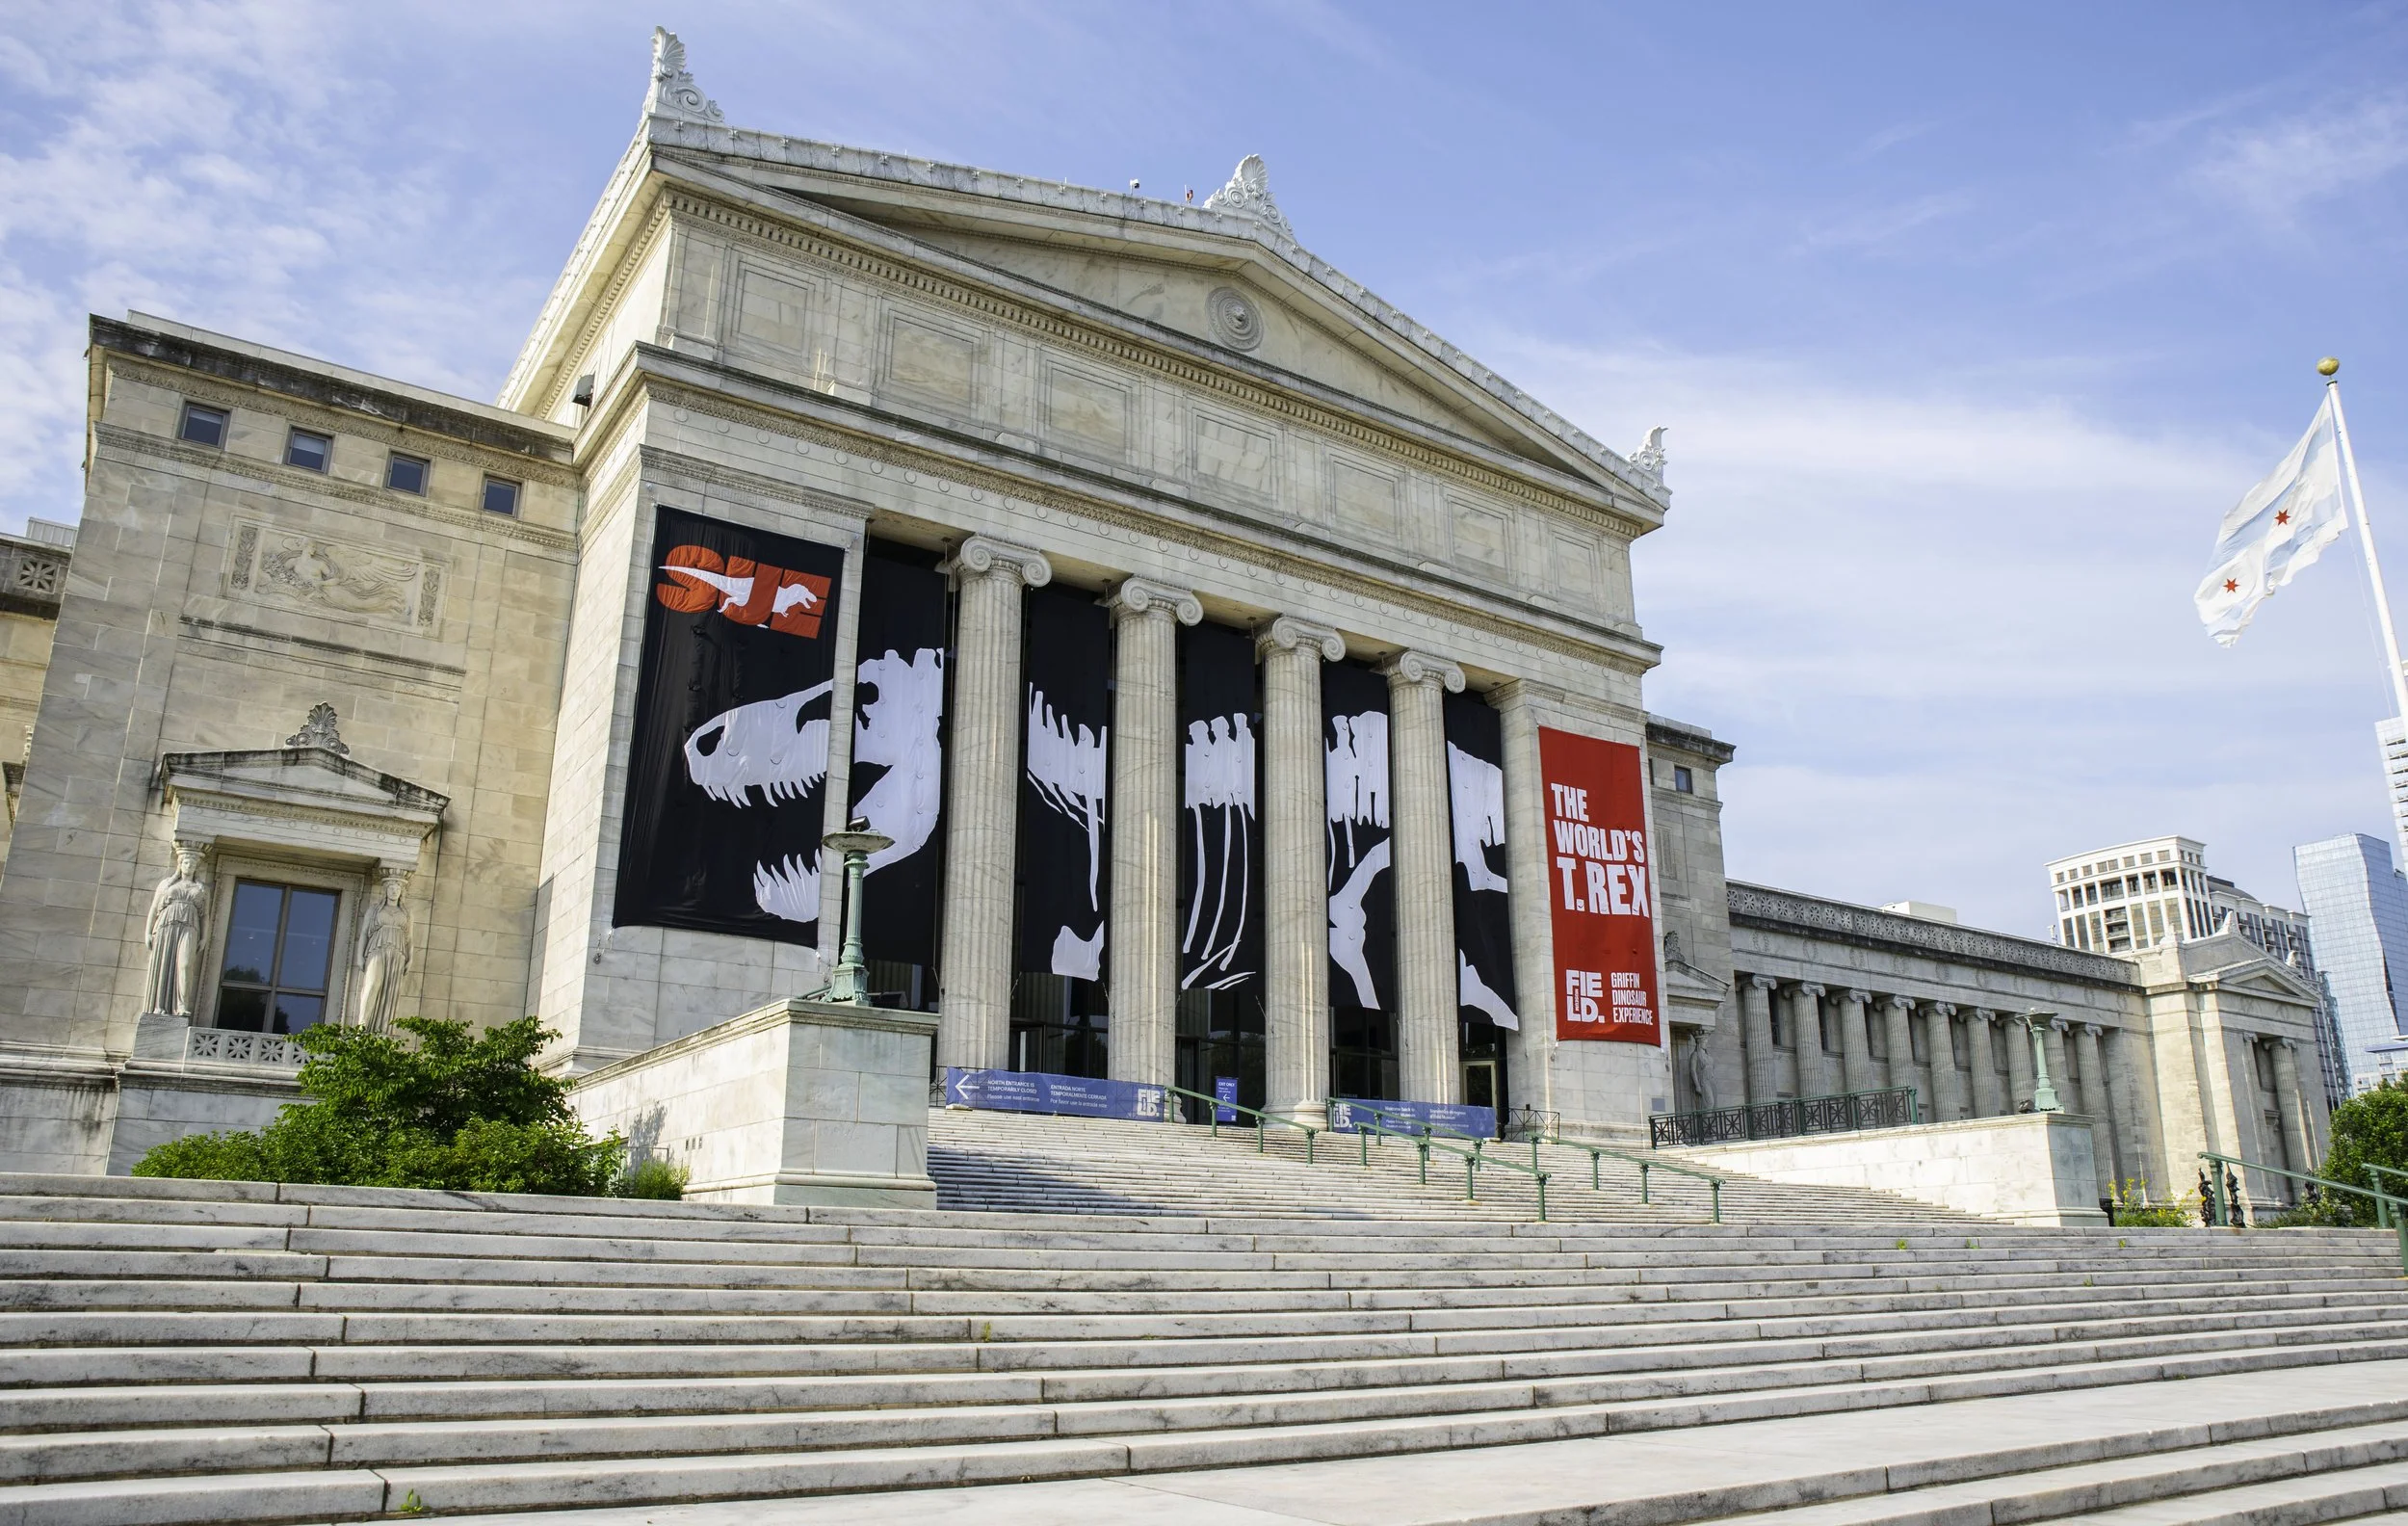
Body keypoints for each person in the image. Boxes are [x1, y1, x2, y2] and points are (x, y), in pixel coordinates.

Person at [143, 848, 209, 1018]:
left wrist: (204, 936)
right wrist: (148, 932)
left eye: (193, 863)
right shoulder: (166, 884)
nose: (190, 866)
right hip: (167, 924)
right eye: (187, 862)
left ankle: (181, 1005)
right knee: (165, 963)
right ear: (180, 864)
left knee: (185, 965)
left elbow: (205, 915)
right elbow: (154, 909)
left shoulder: (201, 888)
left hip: (190, 926)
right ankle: (160, 1006)